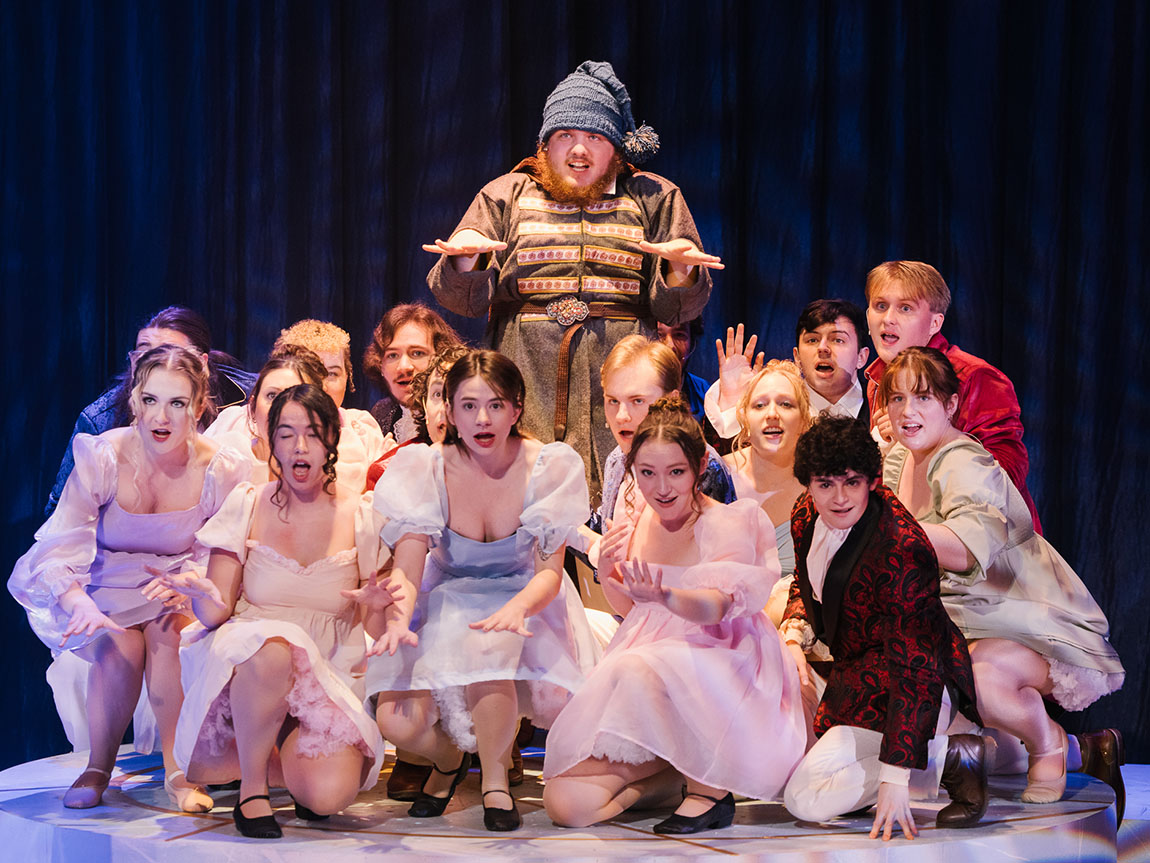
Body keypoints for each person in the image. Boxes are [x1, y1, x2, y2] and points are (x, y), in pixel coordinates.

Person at [424, 60, 719, 502]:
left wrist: (679, 271)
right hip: (525, 367)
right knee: (524, 500)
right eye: (565, 136)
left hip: (619, 378)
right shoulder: (507, 194)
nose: (578, 151)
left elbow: (677, 309)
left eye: (594, 138)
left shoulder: (653, 196)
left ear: (617, 149)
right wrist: (469, 258)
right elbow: (462, 299)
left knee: (622, 502)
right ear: (544, 146)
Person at [542, 397, 805, 833]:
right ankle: (669, 776)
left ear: (700, 466)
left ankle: (708, 790)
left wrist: (667, 595)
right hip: (648, 663)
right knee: (565, 804)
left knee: (648, 663)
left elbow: (718, 607)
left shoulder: (726, 522)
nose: (661, 487)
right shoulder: (641, 517)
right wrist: (609, 573)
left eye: (675, 472)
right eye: (647, 473)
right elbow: (631, 610)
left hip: (722, 661)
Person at [360, 350, 596, 832]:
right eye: (468, 405)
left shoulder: (548, 466)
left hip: (525, 595)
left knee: (495, 647)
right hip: (448, 593)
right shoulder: (424, 468)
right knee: (397, 720)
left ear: (515, 407)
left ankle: (494, 780)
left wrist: (518, 607)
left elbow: (550, 572)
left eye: (494, 405)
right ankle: (448, 760)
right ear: (448, 409)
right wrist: (398, 617)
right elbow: (408, 566)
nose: (482, 419)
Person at [879, 347, 1124, 808]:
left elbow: (964, 545)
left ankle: (1050, 743)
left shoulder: (964, 461)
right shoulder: (896, 461)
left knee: (981, 681)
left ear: (951, 405)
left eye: (923, 398)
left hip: (1022, 620)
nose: (907, 412)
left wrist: (883, 533)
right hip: (958, 621)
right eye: (895, 399)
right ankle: (1087, 750)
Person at [9, 345, 249, 812]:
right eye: (151, 400)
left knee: (167, 641)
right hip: (102, 585)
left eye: (178, 403)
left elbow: (219, 545)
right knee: (122, 647)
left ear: (199, 407)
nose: (163, 416)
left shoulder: (219, 467)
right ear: (135, 400)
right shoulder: (104, 455)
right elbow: (63, 539)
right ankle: (97, 767)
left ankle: (179, 771)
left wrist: (191, 581)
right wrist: (76, 599)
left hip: (175, 583)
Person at [154, 385, 387, 839]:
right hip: (254, 665)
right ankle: (253, 788)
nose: (300, 447)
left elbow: (375, 625)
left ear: (331, 443)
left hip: (329, 674)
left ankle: (273, 754)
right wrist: (199, 593)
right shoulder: (248, 502)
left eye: (313, 434)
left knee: (326, 797)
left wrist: (378, 608)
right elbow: (217, 611)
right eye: (286, 433)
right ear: (271, 441)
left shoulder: (361, 517)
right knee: (275, 646)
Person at [781, 415, 988, 840]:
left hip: (915, 681)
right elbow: (807, 581)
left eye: (851, 482)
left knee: (805, 800)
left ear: (872, 481)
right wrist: (792, 631)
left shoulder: (901, 545)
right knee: (787, 775)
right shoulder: (804, 514)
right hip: (855, 675)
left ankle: (947, 753)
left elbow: (917, 665)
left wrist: (895, 778)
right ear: (809, 485)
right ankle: (943, 754)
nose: (839, 498)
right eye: (825, 484)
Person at [863, 260, 1041, 532]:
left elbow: (1007, 473)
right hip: (908, 540)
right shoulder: (877, 378)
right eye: (880, 306)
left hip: (981, 550)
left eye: (905, 308)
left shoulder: (974, 377)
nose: (888, 319)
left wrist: (924, 438)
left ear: (935, 322)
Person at [46, 306, 254, 516]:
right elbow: (60, 512)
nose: (154, 364)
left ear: (202, 363)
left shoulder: (247, 400)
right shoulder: (100, 420)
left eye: (168, 353)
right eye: (144, 353)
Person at [588, 335, 734, 544]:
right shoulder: (617, 458)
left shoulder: (700, 465)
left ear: (672, 399)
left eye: (637, 401)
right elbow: (609, 537)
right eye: (612, 401)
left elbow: (709, 558)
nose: (621, 416)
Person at [206, 345, 376, 493]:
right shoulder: (227, 459)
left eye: (295, 395)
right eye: (272, 395)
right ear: (252, 406)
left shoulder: (344, 465)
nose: (282, 407)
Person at [722, 360, 810, 625]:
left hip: (794, 628)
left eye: (785, 404)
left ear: (804, 419)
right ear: (744, 419)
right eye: (759, 405)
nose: (772, 413)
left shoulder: (823, 486)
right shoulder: (717, 476)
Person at [362, 303, 461, 441]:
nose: (404, 367)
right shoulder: (381, 412)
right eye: (392, 355)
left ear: (441, 357)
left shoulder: (458, 415)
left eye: (417, 353)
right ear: (380, 365)